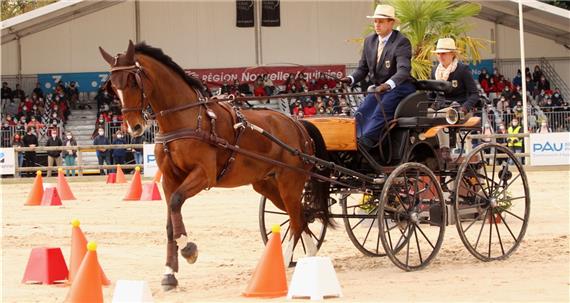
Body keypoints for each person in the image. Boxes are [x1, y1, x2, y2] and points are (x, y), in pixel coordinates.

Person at [340, 4, 415, 150]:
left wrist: (388, 85)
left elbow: (404, 70)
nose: (377, 24)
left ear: (391, 23)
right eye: (375, 21)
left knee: (382, 108)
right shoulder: (370, 41)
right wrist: (351, 79)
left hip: (399, 86)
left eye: (381, 21)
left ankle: (367, 141)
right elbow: (362, 68)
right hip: (379, 88)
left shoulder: (401, 42)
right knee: (363, 110)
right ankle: (352, 138)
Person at [429, 38, 479, 158]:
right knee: (425, 114)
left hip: (459, 109)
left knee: (441, 115)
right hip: (440, 108)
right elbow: (431, 95)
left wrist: (464, 108)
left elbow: (474, 94)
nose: (441, 56)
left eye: (444, 53)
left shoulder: (462, 69)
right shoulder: (434, 71)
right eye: (439, 53)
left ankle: (445, 149)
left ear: (452, 54)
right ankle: (429, 148)